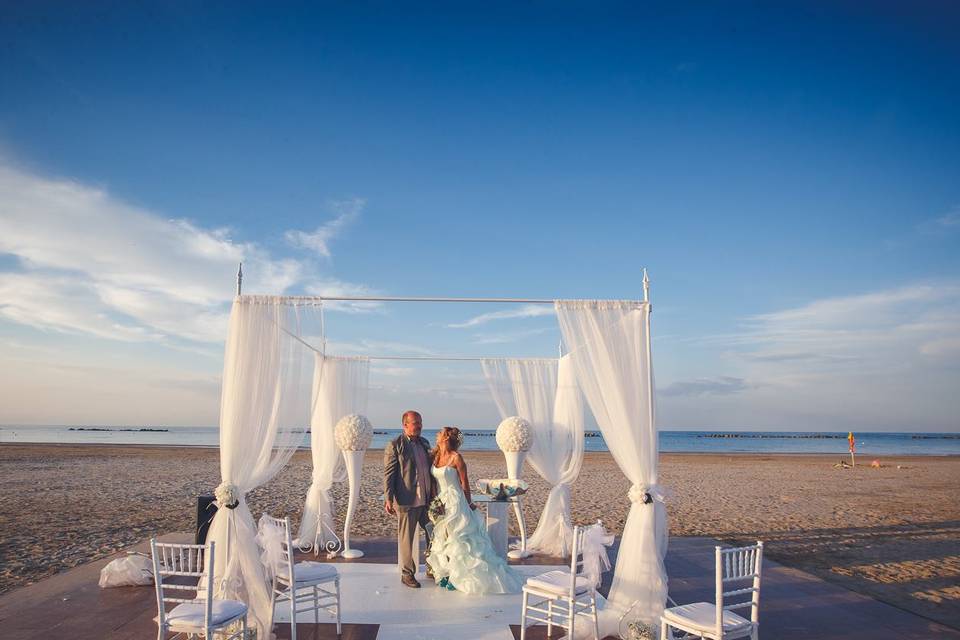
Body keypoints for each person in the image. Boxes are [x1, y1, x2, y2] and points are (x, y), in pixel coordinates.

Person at [426, 426, 522, 594]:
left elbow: (464, 483)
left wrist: (469, 504)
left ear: (446, 438)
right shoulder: (435, 456)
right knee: (444, 537)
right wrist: (435, 500)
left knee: (458, 539)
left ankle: (458, 577)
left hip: (456, 502)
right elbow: (433, 482)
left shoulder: (457, 458)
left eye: (440, 433)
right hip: (441, 501)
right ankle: (447, 573)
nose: (437, 435)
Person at [384, 410, 436, 588]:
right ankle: (407, 574)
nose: (419, 426)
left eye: (420, 422)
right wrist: (388, 497)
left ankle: (432, 568)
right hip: (407, 500)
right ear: (405, 425)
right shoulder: (395, 445)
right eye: (415, 423)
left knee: (433, 533)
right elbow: (389, 474)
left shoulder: (425, 443)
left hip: (427, 500)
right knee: (407, 539)